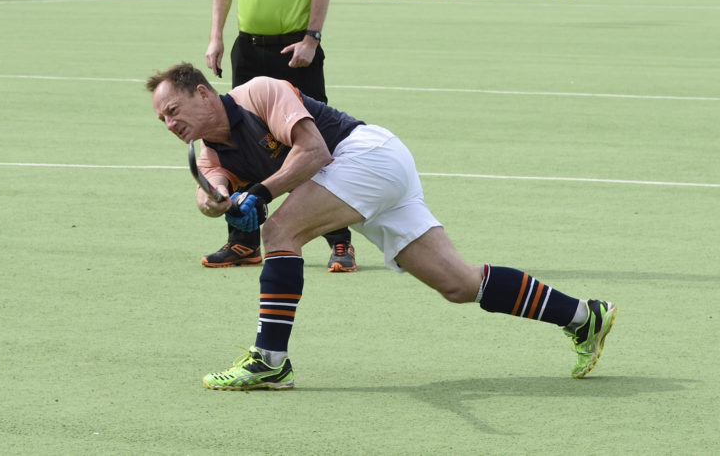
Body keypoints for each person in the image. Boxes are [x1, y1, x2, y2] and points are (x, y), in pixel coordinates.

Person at [147, 62, 618, 390]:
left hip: (366, 154)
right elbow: (209, 188)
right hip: (369, 179)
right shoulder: (208, 150)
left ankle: (269, 361)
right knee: (457, 283)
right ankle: (584, 317)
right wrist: (217, 203)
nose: (169, 123)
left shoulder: (259, 92)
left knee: (278, 233)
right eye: (161, 118)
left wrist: (263, 193)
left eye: (174, 110)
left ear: (204, 93)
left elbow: (314, 153)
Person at [204, 0, 356, 273]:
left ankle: (340, 241)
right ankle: (244, 240)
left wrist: (312, 37)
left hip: (296, 51)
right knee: (240, 146)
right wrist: (216, 36)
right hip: (247, 50)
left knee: (317, 144)